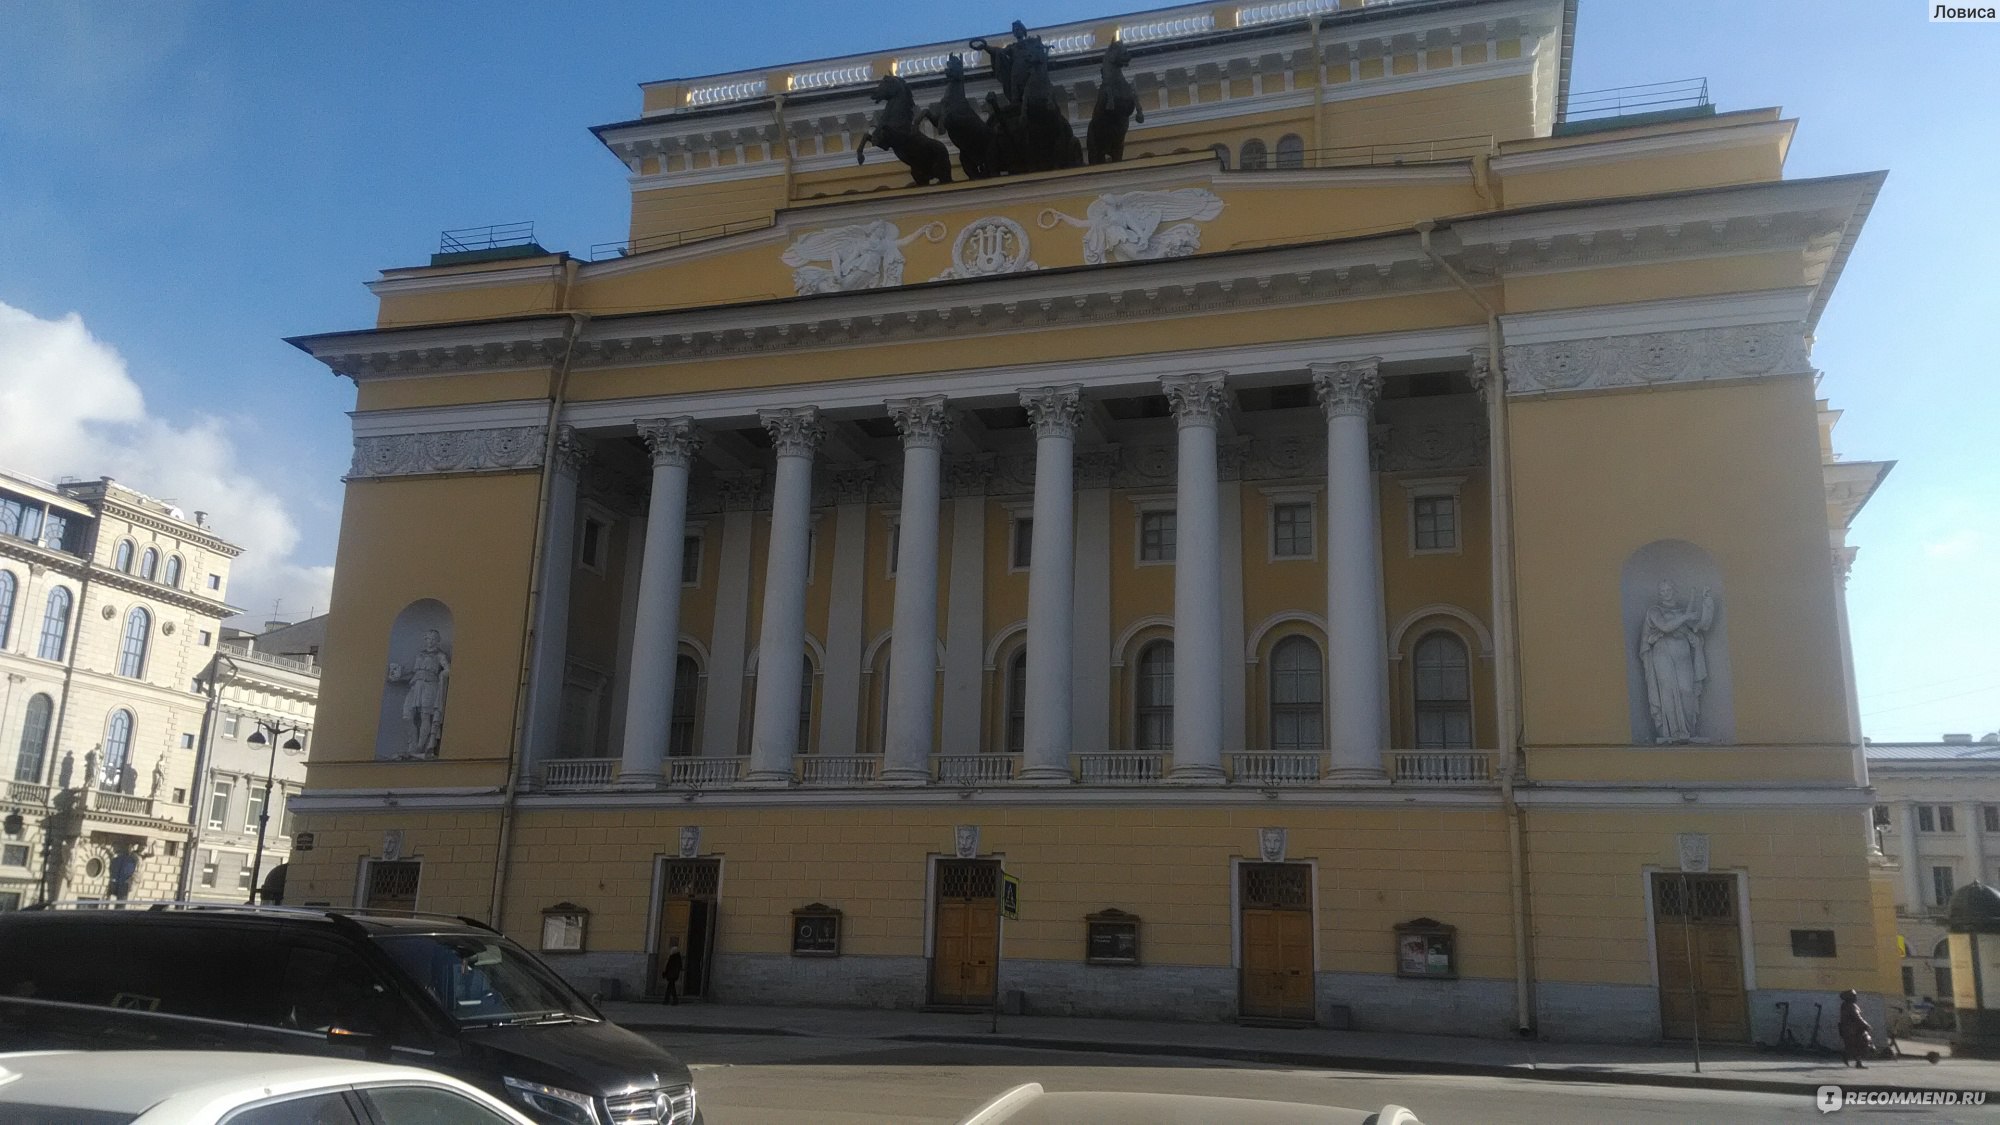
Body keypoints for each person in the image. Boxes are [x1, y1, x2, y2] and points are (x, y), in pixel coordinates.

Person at [1838, 988, 1873, 1067]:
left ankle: (1848, 1057)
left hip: (1847, 1029)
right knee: (1859, 1045)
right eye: (1854, 996)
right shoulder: (1851, 1006)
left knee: (1852, 1046)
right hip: (1853, 1030)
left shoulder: (1845, 1005)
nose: (1855, 997)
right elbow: (1857, 1017)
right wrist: (1866, 1025)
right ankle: (1857, 1062)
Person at [660, 940, 684, 1006]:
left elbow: (668, 966)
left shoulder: (672, 957)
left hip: (671, 975)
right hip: (674, 975)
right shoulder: (678, 958)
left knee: (671, 988)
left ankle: (672, 1000)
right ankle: (668, 1000)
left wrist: (665, 973)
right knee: (670, 987)